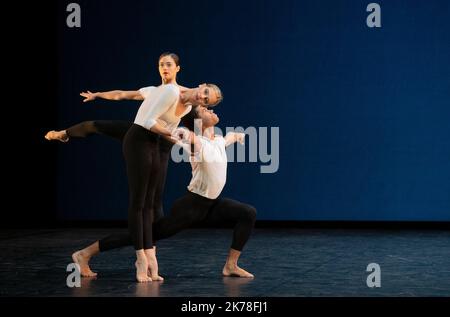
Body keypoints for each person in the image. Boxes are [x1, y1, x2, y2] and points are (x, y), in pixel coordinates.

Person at [73, 106, 256, 280]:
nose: (211, 110)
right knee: (145, 236)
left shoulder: (217, 140)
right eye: (205, 110)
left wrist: (236, 136)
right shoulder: (196, 142)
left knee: (247, 213)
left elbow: (227, 139)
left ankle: (231, 266)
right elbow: (187, 137)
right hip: (191, 207)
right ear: (198, 121)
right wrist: (184, 133)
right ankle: (84, 254)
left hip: (213, 204)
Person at [45, 52, 186, 222]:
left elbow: (199, 107)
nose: (164, 68)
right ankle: (64, 133)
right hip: (140, 134)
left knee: (155, 198)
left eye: (169, 64)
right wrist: (97, 94)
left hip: (160, 144)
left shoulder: (183, 93)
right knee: (94, 125)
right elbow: (122, 94)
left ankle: (154, 239)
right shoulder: (152, 91)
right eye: (161, 64)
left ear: (177, 68)